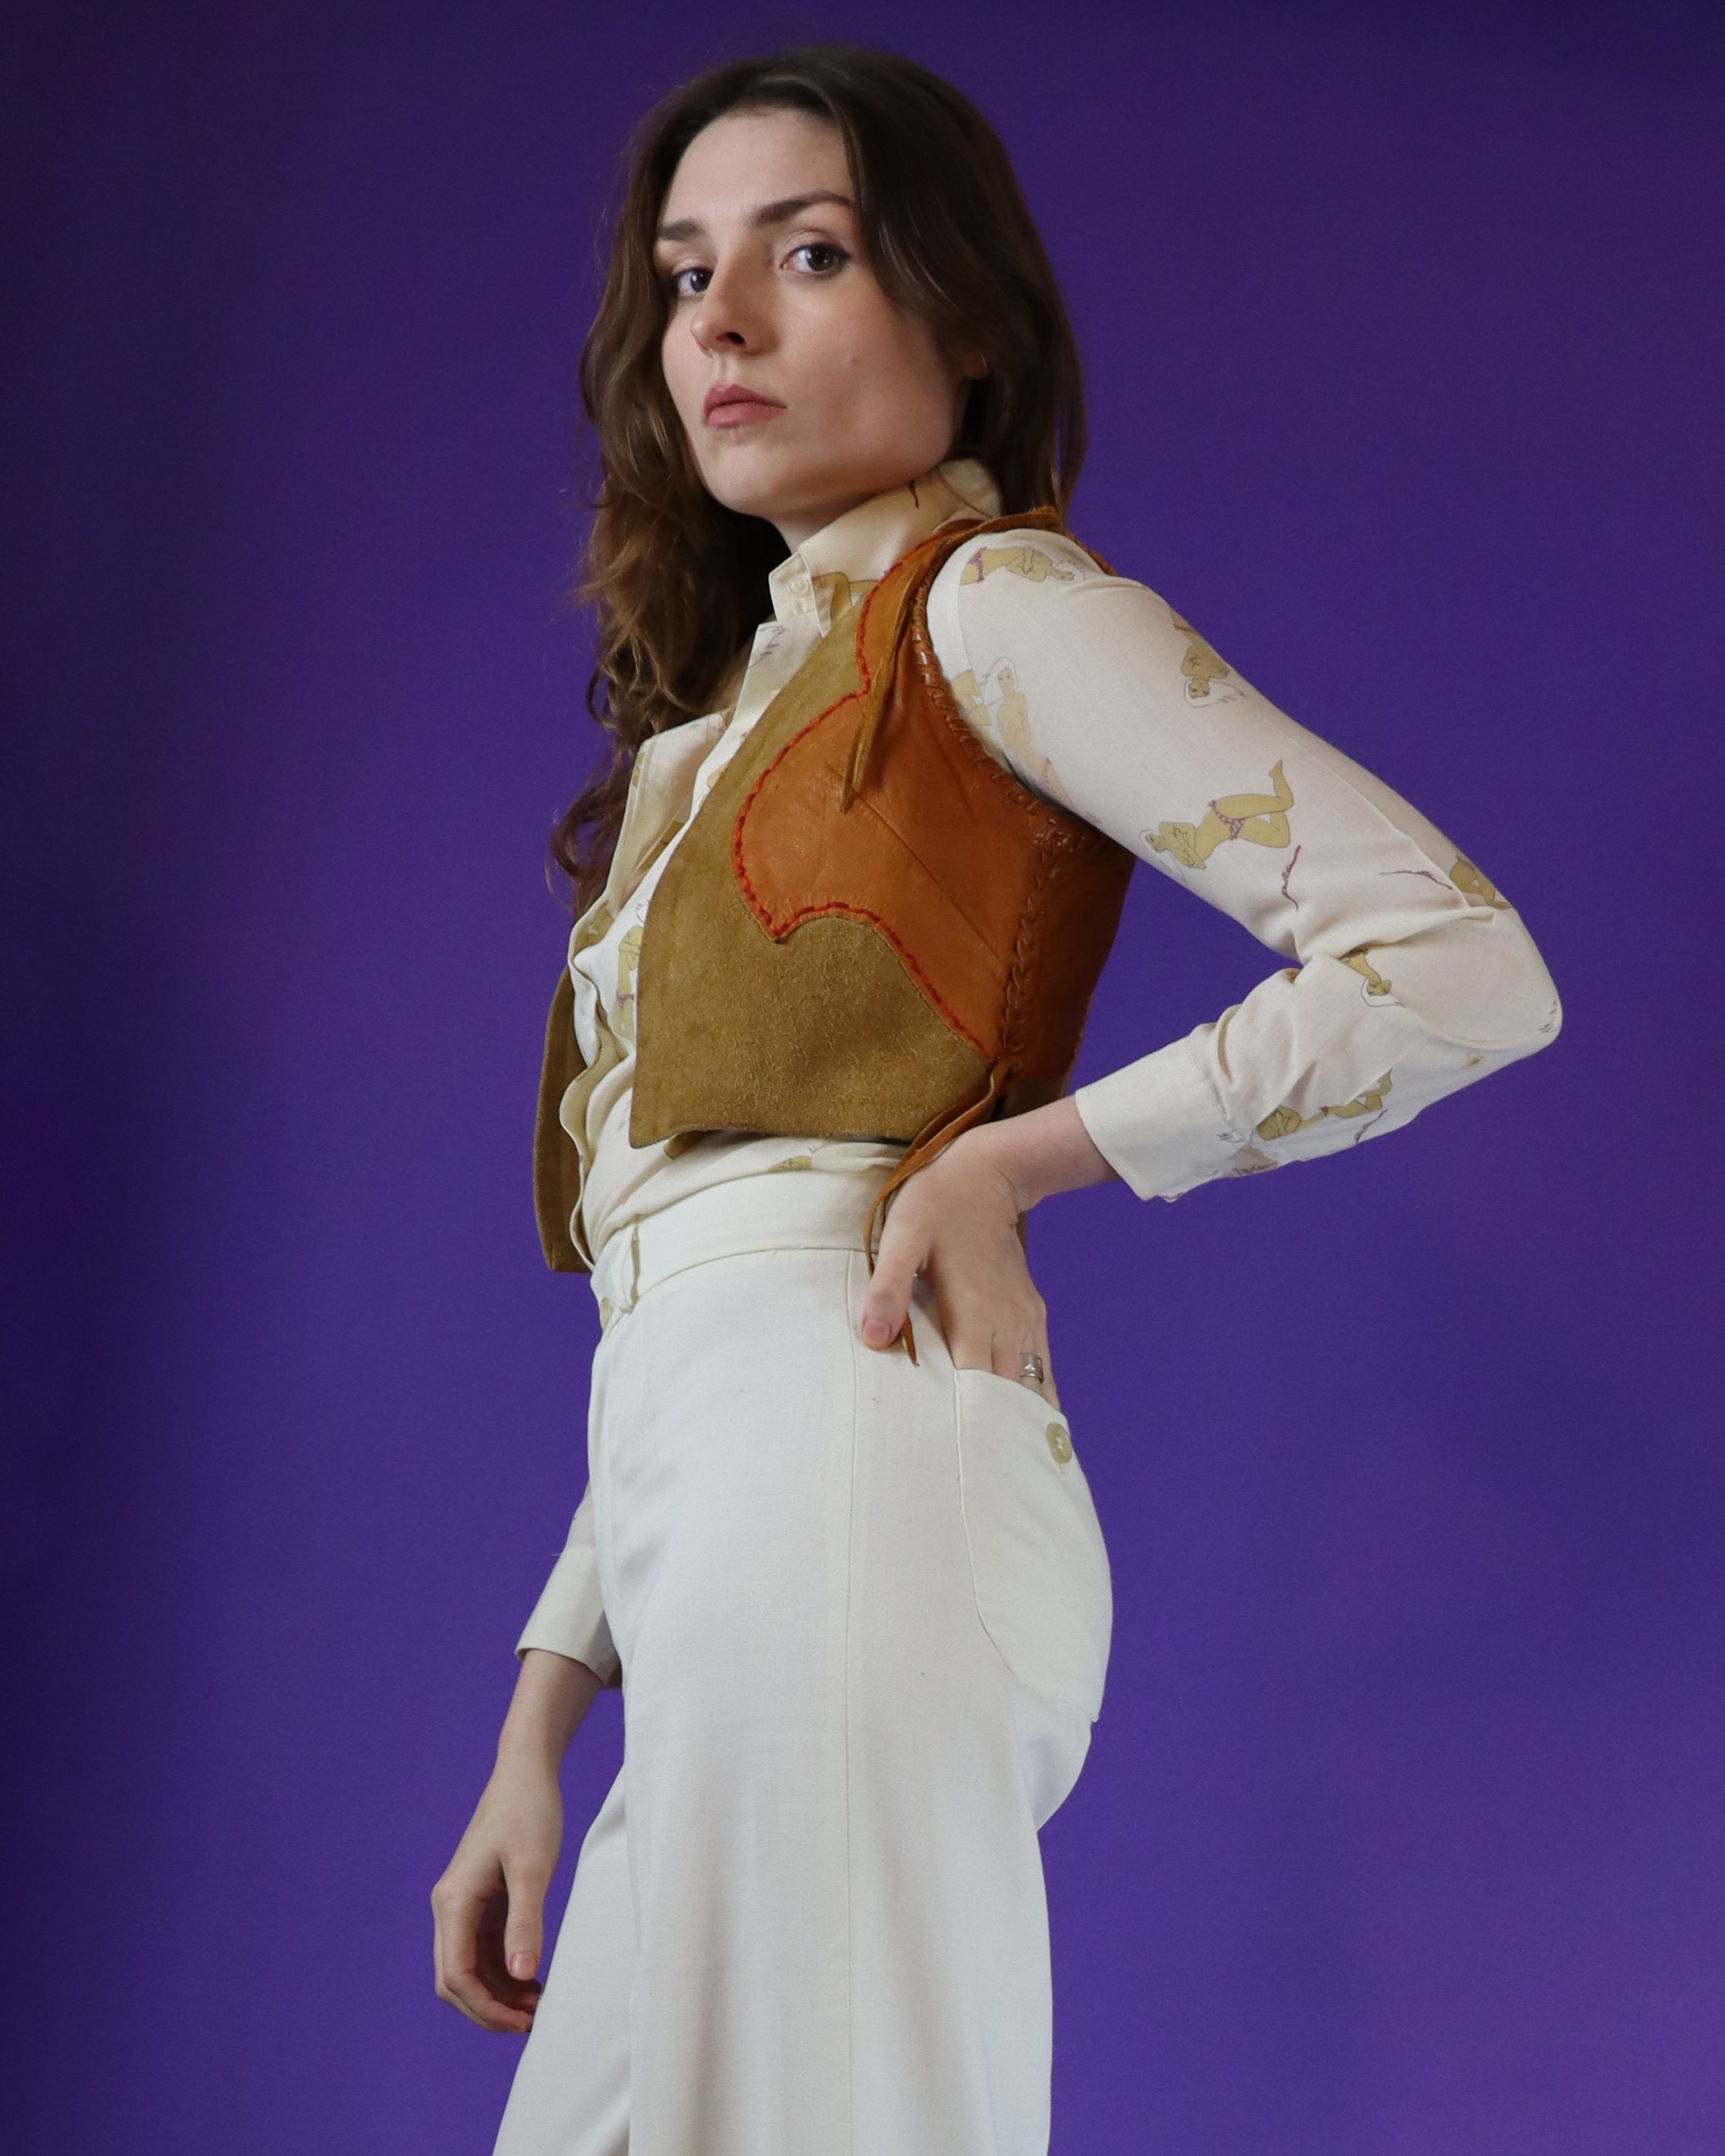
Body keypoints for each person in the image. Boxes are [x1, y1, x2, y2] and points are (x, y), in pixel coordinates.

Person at [430, 45, 1561, 2156]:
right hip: (718, 1526)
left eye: (808, 253)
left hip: (845, 1496)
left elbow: (1453, 962)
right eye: (684, 274)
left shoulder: (994, 605)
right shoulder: (732, 720)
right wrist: (544, 1713)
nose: (722, 321)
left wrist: (1018, 1165)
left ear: (962, 318)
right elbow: (690, 1271)